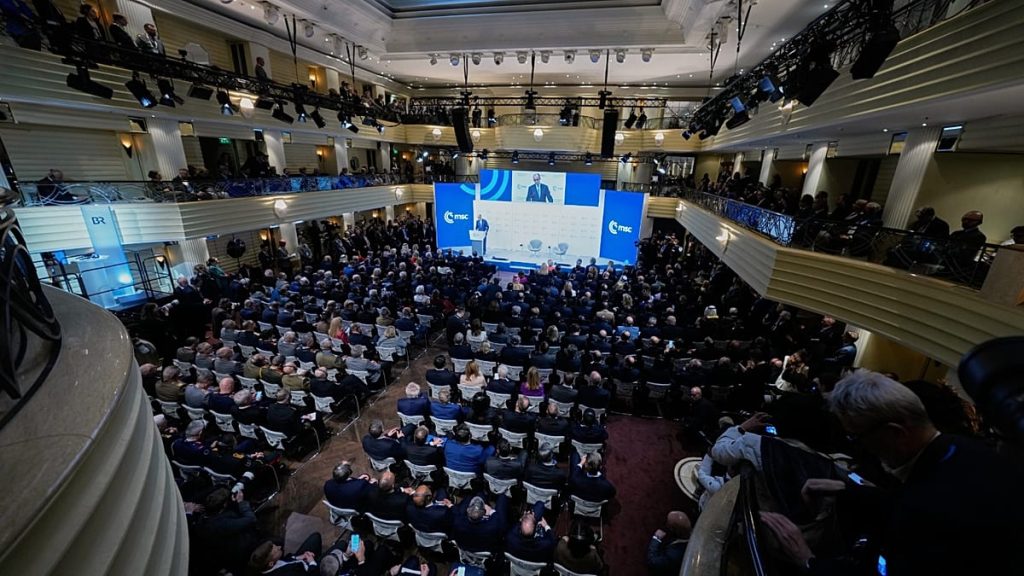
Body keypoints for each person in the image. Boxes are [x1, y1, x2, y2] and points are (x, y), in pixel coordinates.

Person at [759, 371, 1024, 575]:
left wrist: (806, 559)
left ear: (895, 433)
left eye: (856, 436)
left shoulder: (926, 512)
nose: (858, 446)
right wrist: (850, 492)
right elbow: (914, 498)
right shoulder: (960, 448)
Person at [248, 533, 322, 575]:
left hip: (299, 562)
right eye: (277, 550)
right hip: (312, 571)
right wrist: (312, 562)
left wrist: (299, 557)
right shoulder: (287, 573)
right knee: (328, 556)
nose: (279, 547)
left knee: (315, 537)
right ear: (271, 563)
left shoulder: (270, 564)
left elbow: (285, 561)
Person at [647, 511, 692, 576]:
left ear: (673, 529)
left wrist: (656, 538)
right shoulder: (696, 533)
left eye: (668, 524)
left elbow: (653, 561)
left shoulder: (674, 554)